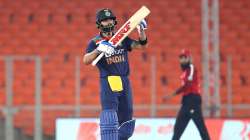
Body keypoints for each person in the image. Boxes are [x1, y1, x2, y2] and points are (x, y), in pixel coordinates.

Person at [83, 8, 148, 140]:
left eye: (110, 19)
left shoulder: (122, 38)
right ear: (99, 24)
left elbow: (142, 46)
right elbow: (86, 60)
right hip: (109, 80)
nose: (108, 22)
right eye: (105, 20)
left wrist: (141, 33)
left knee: (127, 123)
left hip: (124, 80)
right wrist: (98, 50)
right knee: (110, 119)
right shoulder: (95, 42)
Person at [163, 49, 210, 140]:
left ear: (189, 58)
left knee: (201, 128)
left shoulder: (191, 68)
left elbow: (188, 84)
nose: (182, 59)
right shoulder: (185, 71)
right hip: (186, 102)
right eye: (181, 57)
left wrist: (173, 94)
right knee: (178, 128)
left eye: (184, 57)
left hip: (193, 101)